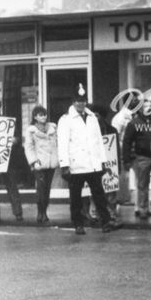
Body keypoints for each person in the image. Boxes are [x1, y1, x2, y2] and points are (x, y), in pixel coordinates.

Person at [57, 85, 117, 235]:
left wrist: (102, 161)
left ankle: (105, 222)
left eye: (83, 101)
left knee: (99, 196)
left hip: (93, 164)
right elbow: (63, 143)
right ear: (73, 102)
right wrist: (65, 164)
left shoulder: (92, 118)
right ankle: (78, 224)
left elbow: (99, 141)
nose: (81, 104)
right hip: (76, 165)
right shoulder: (66, 119)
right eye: (78, 101)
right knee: (76, 198)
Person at [121, 96, 151, 221]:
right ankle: (142, 209)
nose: (148, 108)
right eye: (145, 106)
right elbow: (127, 142)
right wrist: (126, 160)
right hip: (142, 157)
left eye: (149, 106)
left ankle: (149, 208)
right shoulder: (133, 123)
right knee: (142, 185)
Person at [23, 105, 58, 224]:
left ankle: (45, 212)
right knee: (41, 188)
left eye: (44, 114)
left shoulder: (53, 128)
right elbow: (29, 147)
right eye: (40, 115)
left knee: (47, 189)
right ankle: (40, 212)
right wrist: (33, 161)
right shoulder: (31, 130)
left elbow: (57, 144)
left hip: (51, 163)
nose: (43, 117)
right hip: (39, 163)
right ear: (35, 117)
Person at [111, 98, 136, 206]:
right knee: (123, 172)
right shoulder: (120, 117)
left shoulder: (133, 114)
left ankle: (128, 197)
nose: (135, 103)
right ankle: (122, 198)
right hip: (123, 147)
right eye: (133, 101)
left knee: (130, 173)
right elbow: (116, 134)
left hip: (132, 147)